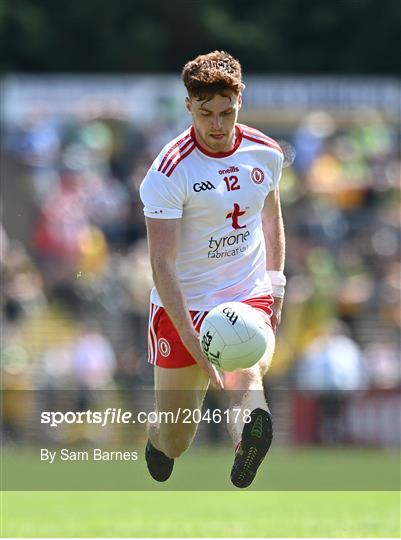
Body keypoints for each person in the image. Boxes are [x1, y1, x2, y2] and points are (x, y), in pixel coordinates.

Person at [139, 51, 285, 488]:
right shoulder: (169, 170)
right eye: (206, 114)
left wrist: (275, 288)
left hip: (245, 292)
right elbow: (161, 263)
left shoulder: (266, 152)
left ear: (240, 101)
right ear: (189, 107)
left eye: (227, 112)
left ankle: (248, 442)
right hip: (183, 304)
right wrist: (189, 335)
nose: (217, 125)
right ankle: (156, 440)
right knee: (177, 438)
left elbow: (271, 218)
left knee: (247, 368)